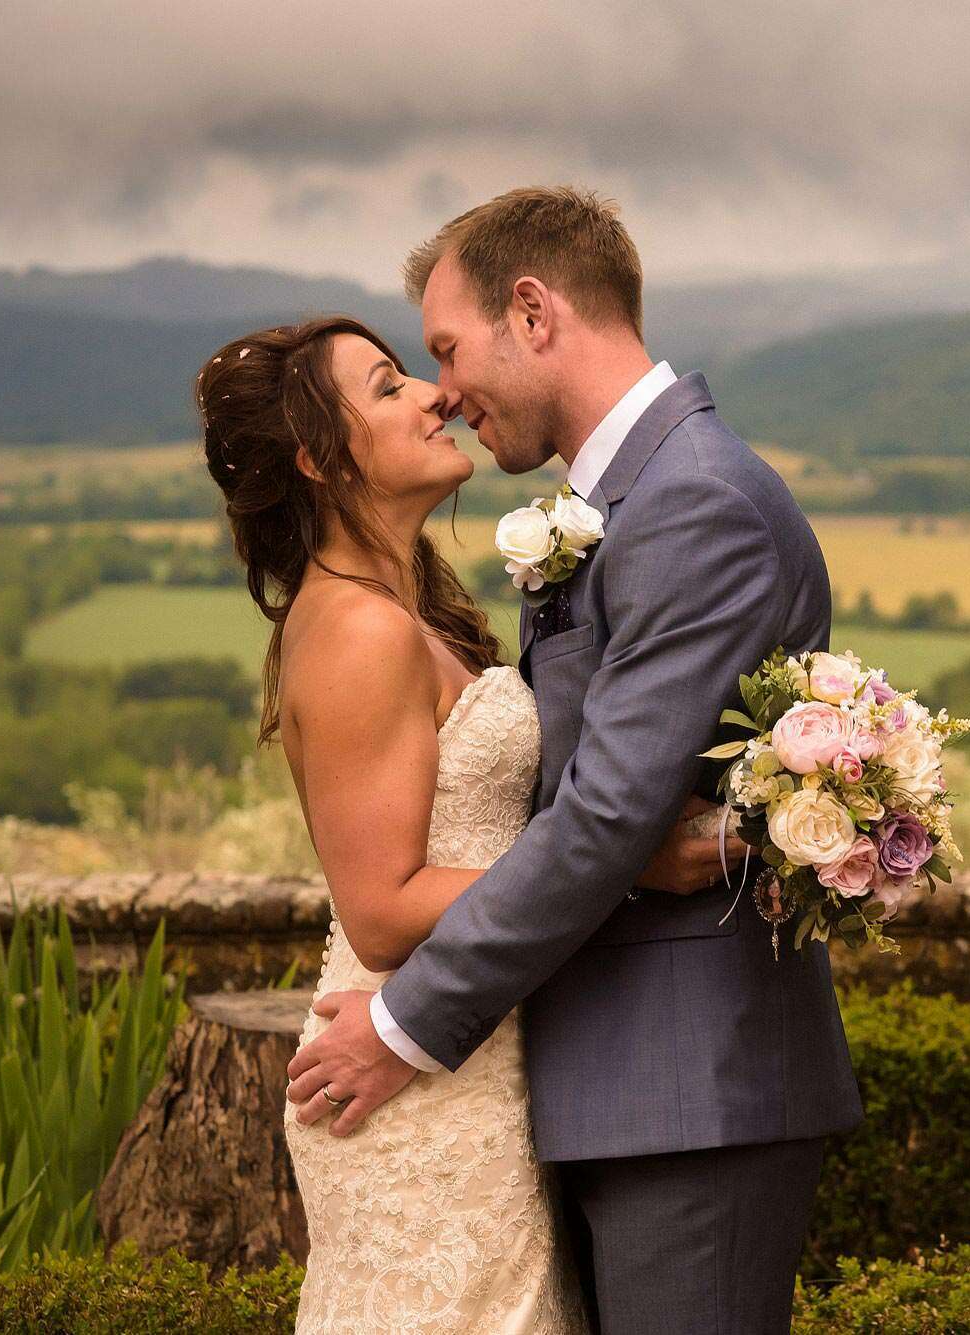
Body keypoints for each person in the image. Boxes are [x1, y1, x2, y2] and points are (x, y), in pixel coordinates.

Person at [281, 187, 863, 1333]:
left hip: (688, 1086)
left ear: (533, 314)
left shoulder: (693, 502)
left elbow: (602, 819)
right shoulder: (624, 503)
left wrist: (404, 1027)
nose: (443, 388)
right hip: (598, 1081)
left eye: (445, 349)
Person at [198, 313, 742, 1331]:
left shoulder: (407, 610)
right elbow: (379, 908)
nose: (435, 394)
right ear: (319, 458)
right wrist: (624, 867)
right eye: (389, 386)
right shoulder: (358, 629)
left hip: (481, 1050)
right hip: (415, 1076)